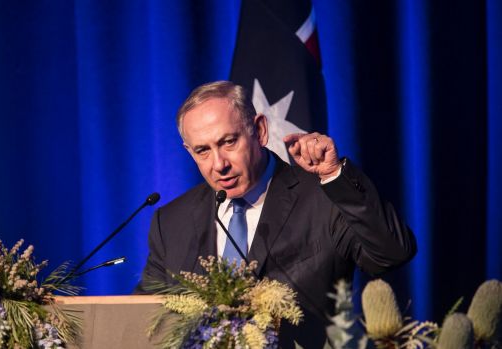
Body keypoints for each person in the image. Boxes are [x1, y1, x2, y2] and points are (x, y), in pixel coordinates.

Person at [136, 81, 416, 348]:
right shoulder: (172, 222)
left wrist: (333, 176)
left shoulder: (324, 197)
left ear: (259, 130)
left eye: (229, 142)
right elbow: (144, 320)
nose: (219, 164)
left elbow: (390, 254)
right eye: (202, 151)